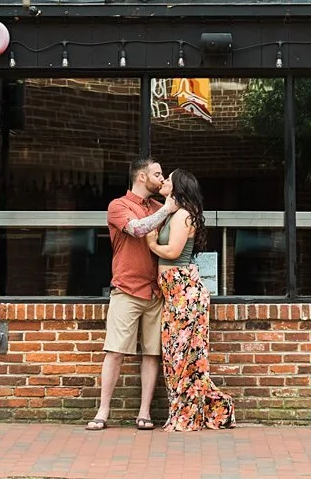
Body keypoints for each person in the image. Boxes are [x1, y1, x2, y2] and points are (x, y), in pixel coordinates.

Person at [89, 156, 174, 431]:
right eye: (158, 174)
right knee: (115, 351)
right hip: (126, 289)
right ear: (141, 177)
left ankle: (145, 412)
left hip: (156, 292)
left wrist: (172, 200)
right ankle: (102, 412)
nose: (161, 179)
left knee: (152, 354)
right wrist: (166, 210)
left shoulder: (160, 206)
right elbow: (138, 229)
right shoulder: (118, 206)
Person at [148, 168, 234, 432]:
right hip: (174, 294)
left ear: (178, 187)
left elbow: (173, 252)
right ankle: (200, 409)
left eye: (168, 179)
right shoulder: (173, 213)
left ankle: (193, 413)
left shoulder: (183, 215)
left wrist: (151, 243)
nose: (163, 181)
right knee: (176, 356)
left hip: (185, 293)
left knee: (185, 357)